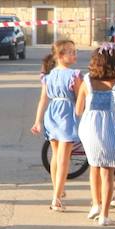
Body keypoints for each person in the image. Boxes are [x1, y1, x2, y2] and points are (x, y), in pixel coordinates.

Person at [76, 48, 115, 226]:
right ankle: (104, 215)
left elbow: (78, 109)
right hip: (110, 131)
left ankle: (95, 205)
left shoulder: (87, 81)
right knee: (107, 173)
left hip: (89, 130)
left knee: (94, 166)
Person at [32, 40, 80, 211]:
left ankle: (57, 190)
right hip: (67, 114)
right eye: (71, 52)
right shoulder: (74, 75)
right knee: (64, 159)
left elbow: (43, 100)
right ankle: (57, 198)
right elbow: (80, 99)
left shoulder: (48, 76)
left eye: (75, 51)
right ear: (60, 56)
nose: (75, 55)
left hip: (52, 114)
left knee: (56, 155)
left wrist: (38, 121)